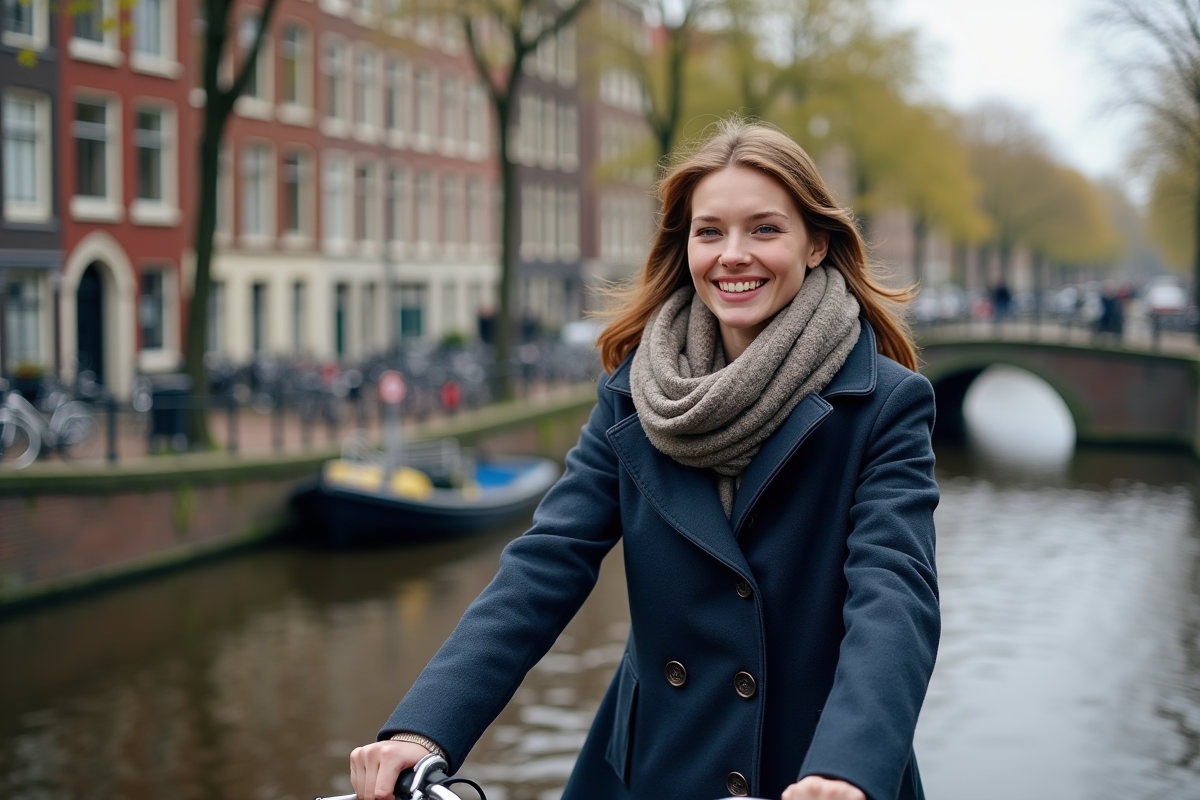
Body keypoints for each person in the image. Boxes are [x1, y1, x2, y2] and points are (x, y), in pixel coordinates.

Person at [350, 120, 940, 800]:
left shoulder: (886, 404)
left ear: (816, 245)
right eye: (710, 231)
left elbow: (894, 595)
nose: (733, 255)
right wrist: (423, 731)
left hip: (813, 769)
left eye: (765, 230)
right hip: (659, 766)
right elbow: (548, 562)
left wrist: (846, 768)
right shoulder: (636, 392)